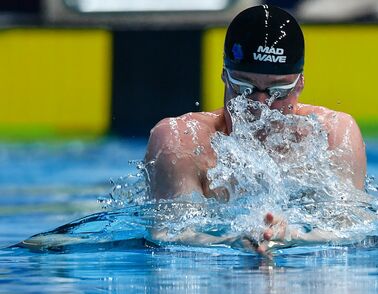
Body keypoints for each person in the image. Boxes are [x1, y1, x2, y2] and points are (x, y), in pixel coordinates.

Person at [145, 5, 366, 255]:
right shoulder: (181, 140)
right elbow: (170, 235)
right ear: (224, 76)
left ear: (300, 83)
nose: (261, 106)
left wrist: (292, 235)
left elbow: (351, 229)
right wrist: (233, 240)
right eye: (244, 89)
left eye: (278, 92)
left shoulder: (333, 134)